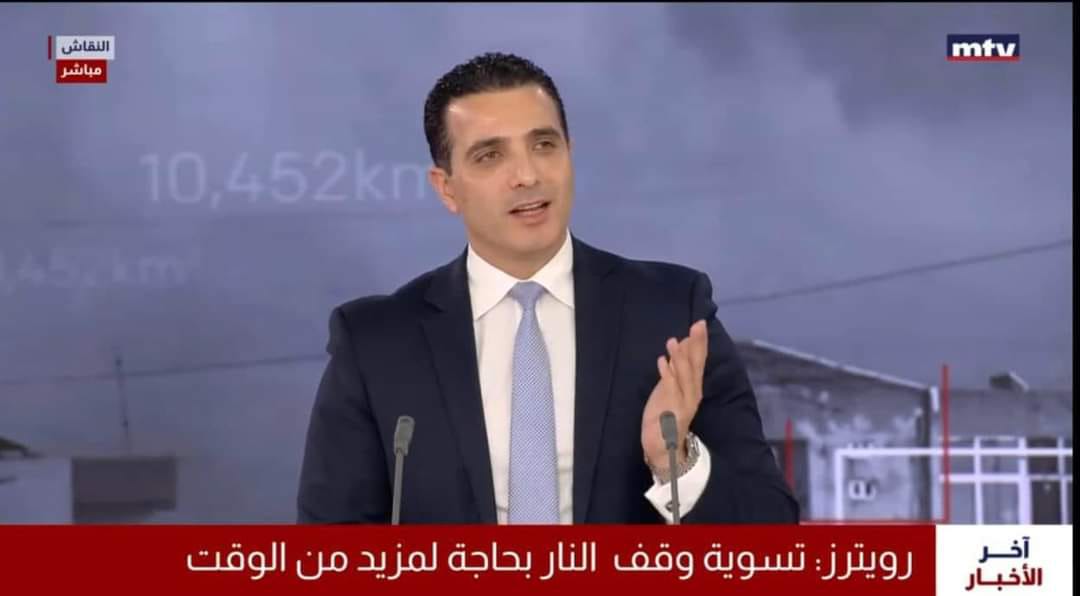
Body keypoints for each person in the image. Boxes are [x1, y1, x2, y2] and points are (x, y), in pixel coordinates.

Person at [297, 52, 798, 524]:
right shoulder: (377, 343)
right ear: (447, 187)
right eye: (490, 156)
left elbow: (770, 530)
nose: (527, 175)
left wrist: (675, 461)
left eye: (543, 145)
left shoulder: (670, 313)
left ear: (569, 155)